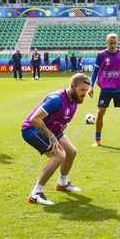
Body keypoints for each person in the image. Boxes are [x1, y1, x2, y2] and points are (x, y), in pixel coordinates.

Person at [22, 73, 91, 206]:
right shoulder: (56, 99)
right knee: (59, 156)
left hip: (52, 130)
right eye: (82, 90)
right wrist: (52, 137)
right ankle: (35, 194)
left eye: (86, 91)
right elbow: (34, 119)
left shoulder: (74, 101)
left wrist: (56, 136)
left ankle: (62, 184)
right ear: (72, 86)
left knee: (71, 151)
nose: (84, 94)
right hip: (32, 130)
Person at [89, 33, 120, 146]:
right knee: (100, 112)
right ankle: (97, 139)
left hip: (119, 88)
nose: (113, 45)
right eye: (111, 43)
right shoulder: (100, 55)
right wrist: (91, 86)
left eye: (115, 43)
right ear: (107, 42)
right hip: (105, 89)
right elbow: (95, 71)